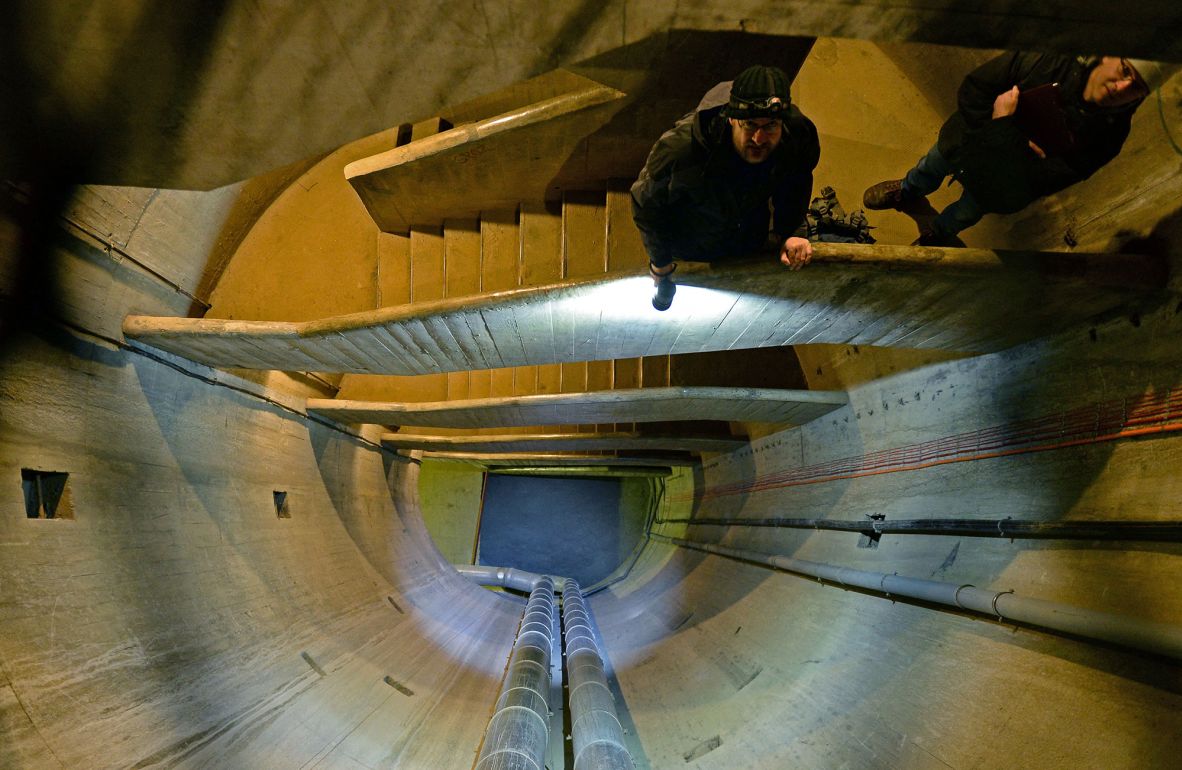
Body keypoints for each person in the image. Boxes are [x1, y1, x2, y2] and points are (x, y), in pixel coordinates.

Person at [863, 54, 1172, 246]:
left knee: (963, 214)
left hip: (997, 189)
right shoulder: (1049, 61)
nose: (1121, 88)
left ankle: (938, 234)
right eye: (1125, 71)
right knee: (928, 167)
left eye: (1136, 88)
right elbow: (976, 89)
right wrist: (1016, 146)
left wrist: (1001, 124)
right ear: (1108, 56)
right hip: (961, 144)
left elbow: (1044, 181)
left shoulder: (1109, 135)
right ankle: (908, 191)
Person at [631, 65, 820, 308]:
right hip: (691, 239)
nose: (759, 139)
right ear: (732, 118)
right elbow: (645, 204)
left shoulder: (797, 136)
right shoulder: (681, 151)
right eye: (750, 125)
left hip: (747, 235)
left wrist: (791, 232)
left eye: (771, 125)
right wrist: (661, 263)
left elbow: (797, 180)